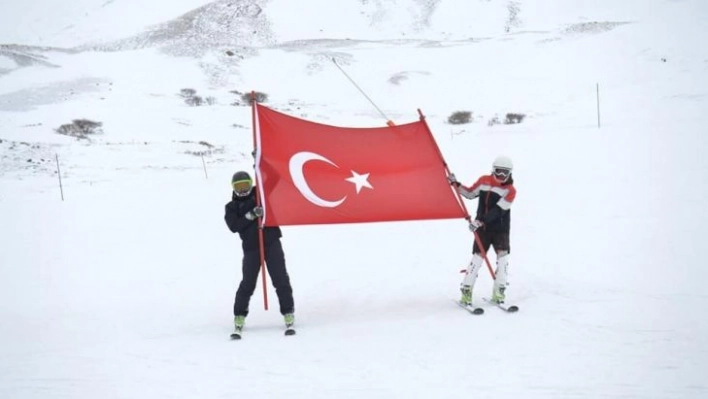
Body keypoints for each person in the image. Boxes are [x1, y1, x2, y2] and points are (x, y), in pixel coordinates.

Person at [224, 171, 295, 334]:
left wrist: (260, 159)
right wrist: (250, 215)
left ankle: (288, 311)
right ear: (233, 188)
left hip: (271, 243)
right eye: (238, 187)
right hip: (251, 248)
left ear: (250, 184)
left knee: (280, 279)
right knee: (248, 283)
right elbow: (234, 226)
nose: (242, 190)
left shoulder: (261, 193)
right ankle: (239, 315)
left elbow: (275, 177)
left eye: (245, 186)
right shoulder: (231, 207)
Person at [449, 156, 517, 305]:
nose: (501, 176)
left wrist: (480, 221)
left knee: (503, 259)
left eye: (505, 173)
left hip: (500, 230)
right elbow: (470, 193)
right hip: (483, 229)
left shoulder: (510, 191)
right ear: (493, 170)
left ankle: (499, 292)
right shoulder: (484, 181)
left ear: (510, 173)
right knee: (477, 258)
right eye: (498, 172)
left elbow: (498, 210)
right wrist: (456, 184)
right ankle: (466, 291)